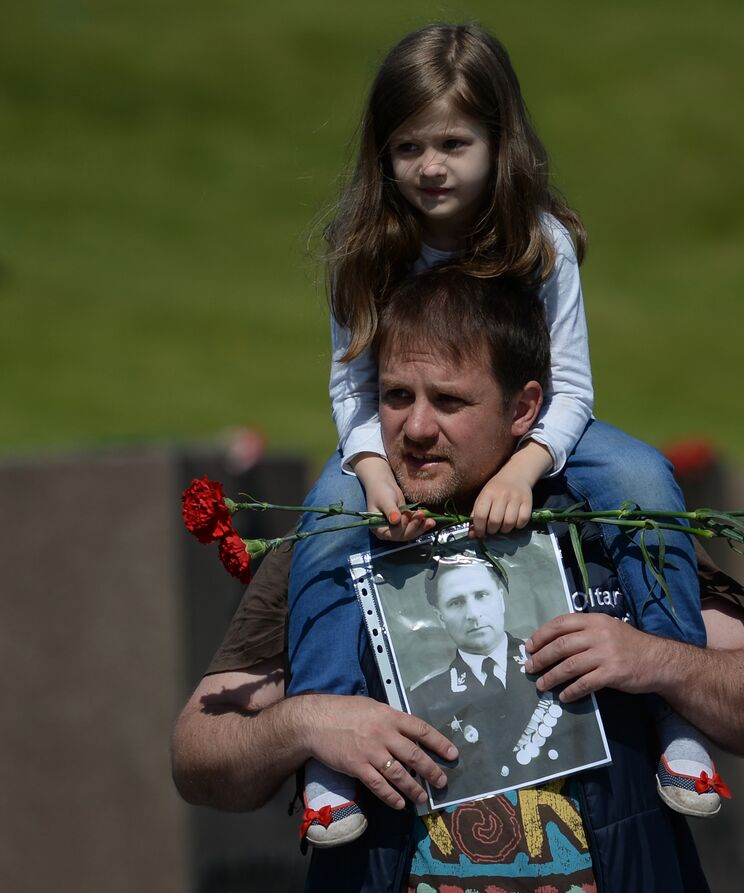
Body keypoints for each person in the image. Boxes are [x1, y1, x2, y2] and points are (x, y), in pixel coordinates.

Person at [172, 267, 744, 893]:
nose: (416, 428)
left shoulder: (612, 523)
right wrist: (306, 723)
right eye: (396, 396)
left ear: (524, 409)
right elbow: (198, 755)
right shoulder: (339, 540)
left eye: (450, 402)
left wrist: (659, 662)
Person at [289, 22, 718, 844]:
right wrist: (373, 472)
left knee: (642, 480)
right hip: (392, 440)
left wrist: (523, 469)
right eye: (408, 146)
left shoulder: (540, 242)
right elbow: (350, 383)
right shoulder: (369, 250)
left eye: (454, 142)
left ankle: (679, 714)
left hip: (543, 429)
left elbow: (574, 388)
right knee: (327, 519)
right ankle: (324, 751)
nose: (430, 167)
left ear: (499, 141)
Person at [406, 558, 607, 803]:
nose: (473, 614)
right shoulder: (422, 700)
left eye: (481, 595)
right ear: (440, 616)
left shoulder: (561, 659)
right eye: (456, 603)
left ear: (500, 599)